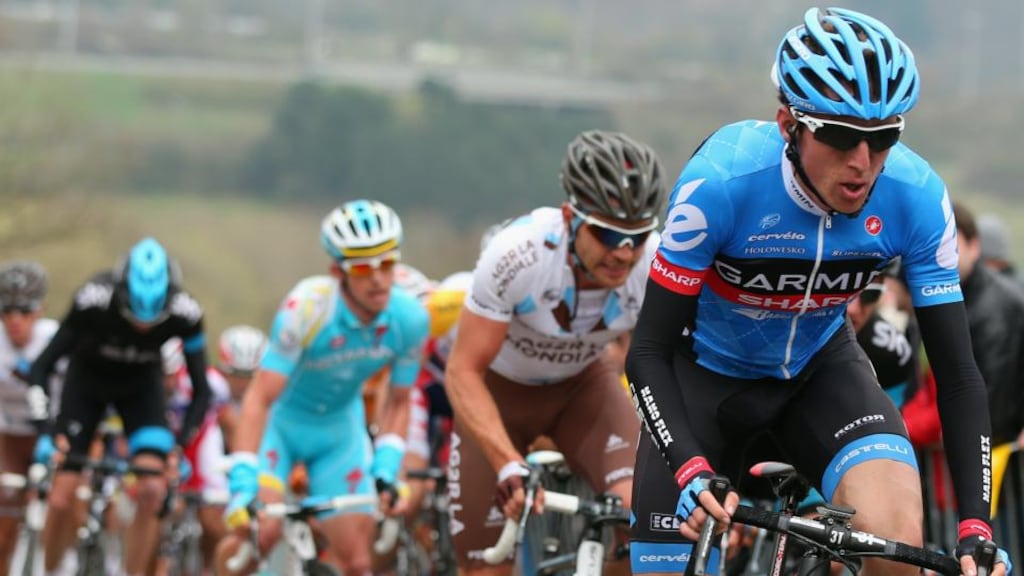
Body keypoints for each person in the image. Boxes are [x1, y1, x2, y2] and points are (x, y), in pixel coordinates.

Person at [625, 8, 1009, 576]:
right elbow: (647, 351)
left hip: (819, 373)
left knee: (894, 545)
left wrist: (977, 526)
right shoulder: (722, 181)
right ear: (789, 125)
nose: (862, 162)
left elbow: (958, 375)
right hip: (701, 378)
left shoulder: (915, 195)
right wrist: (687, 467)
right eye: (840, 136)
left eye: (883, 138)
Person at [445, 129, 665, 575]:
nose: (624, 254)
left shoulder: (653, 263)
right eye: (608, 235)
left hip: (584, 390)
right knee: (487, 564)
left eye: (638, 236)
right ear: (570, 218)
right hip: (500, 395)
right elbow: (462, 371)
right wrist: (507, 464)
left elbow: (667, 363)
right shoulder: (517, 255)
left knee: (645, 522)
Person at [214, 199, 430, 576]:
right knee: (262, 534)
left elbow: (399, 401)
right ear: (337, 272)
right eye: (362, 267)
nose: (378, 278)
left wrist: (387, 463)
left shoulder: (410, 319)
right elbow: (260, 398)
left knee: (358, 562)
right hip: (279, 429)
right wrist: (244, 474)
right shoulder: (307, 309)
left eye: (386, 264)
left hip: (337, 434)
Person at [28, 237, 212, 576]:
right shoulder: (92, 299)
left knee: (153, 489)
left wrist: (180, 447)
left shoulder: (186, 312)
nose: (142, 327)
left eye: (152, 321)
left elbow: (202, 391)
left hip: (140, 390)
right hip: (86, 386)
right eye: (133, 316)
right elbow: (42, 367)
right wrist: (45, 430)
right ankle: (47, 570)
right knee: (62, 495)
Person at [0, 260, 59, 573]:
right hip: (11, 435)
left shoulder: (55, 340)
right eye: (6, 311)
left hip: (52, 436)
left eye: (24, 311)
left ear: (40, 310)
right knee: (4, 524)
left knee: (63, 506)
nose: (14, 320)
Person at [952, 202, 1024, 447]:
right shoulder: (961, 295)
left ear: (974, 246)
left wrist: (970, 440)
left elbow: (992, 386)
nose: (943, 255)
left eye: (952, 246)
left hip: (1000, 441)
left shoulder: (994, 305)